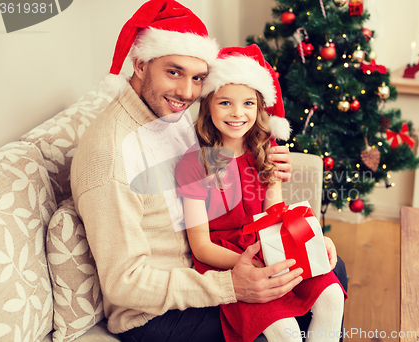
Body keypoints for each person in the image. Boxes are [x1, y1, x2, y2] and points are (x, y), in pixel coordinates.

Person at [70, 1, 347, 341]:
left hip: (215, 264)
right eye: (174, 72)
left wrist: (292, 230)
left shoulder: (168, 113)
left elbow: (228, 162)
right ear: (140, 64)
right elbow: (124, 283)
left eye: (198, 78)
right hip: (158, 314)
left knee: (331, 271)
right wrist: (233, 285)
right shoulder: (111, 156)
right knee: (279, 324)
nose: (187, 92)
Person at [175, 45, 346, 342]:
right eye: (225, 103)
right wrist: (251, 266)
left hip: (270, 245)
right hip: (228, 259)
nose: (238, 113)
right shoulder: (194, 163)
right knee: (286, 331)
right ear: (208, 105)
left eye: (248, 104)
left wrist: (312, 240)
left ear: (260, 107)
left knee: (332, 296)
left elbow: (274, 214)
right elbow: (201, 246)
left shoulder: (263, 151)